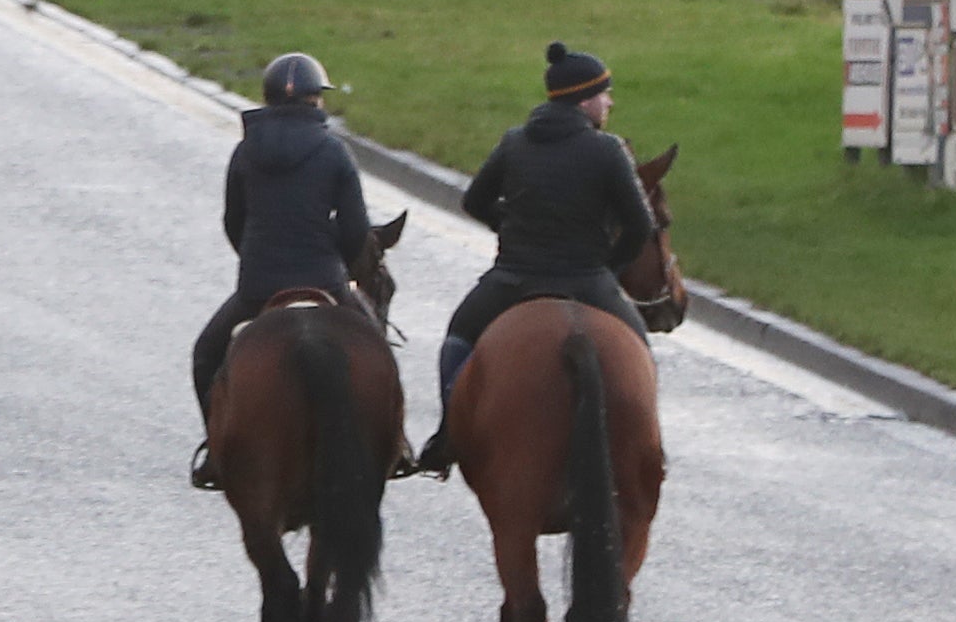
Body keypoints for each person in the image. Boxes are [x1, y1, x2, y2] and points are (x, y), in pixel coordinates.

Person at [415, 42, 655, 475]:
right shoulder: (608, 150)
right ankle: (645, 447)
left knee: (457, 340)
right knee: (639, 349)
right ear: (584, 100)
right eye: (605, 93)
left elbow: (474, 200)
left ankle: (448, 433)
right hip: (587, 281)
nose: (610, 102)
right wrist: (611, 269)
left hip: (512, 281)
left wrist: (505, 228)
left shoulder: (515, 142)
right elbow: (641, 225)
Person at [186, 53, 371, 491]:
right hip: (324, 280)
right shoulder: (333, 150)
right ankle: (394, 442)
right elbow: (356, 230)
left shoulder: (246, 150)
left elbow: (234, 220)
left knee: (206, 355)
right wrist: (340, 268)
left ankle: (216, 447)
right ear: (314, 100)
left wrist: (255, 256)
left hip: (259, 286)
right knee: (376, 348)